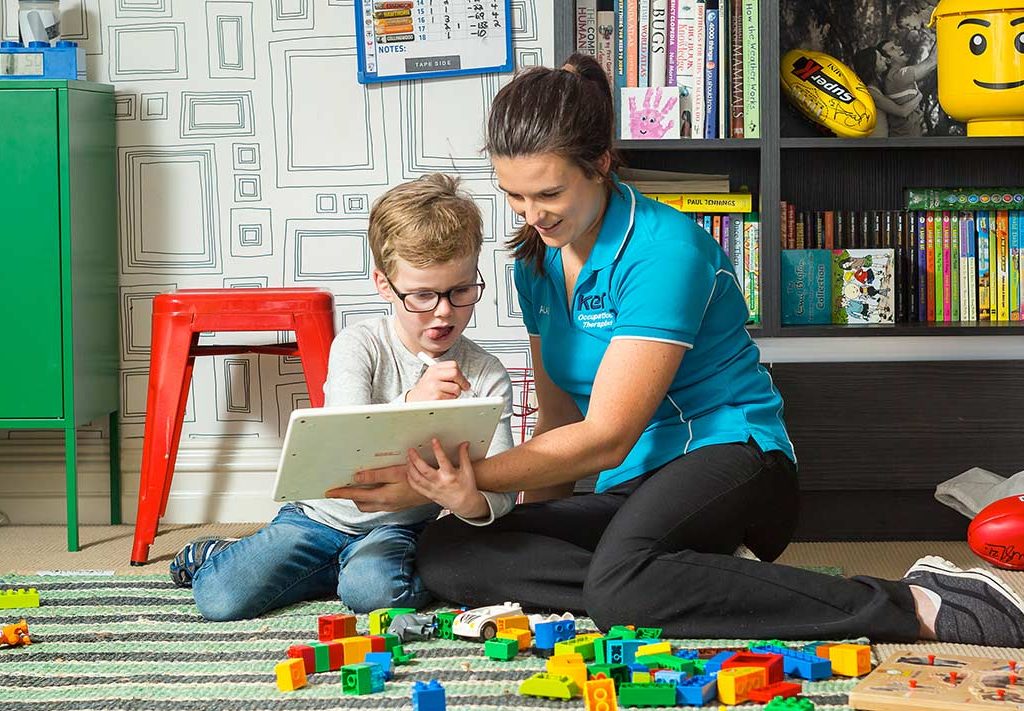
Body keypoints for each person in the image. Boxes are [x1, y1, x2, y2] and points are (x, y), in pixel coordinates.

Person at [327, 54, 1024, 647]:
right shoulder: (533, 262)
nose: (531, 216)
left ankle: (916, 602)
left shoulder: (665, 251)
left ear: (600, 163)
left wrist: (474, 476)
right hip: (634, 488)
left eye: (548, 193)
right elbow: (560, 418)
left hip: (735, 461)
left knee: (619, 583)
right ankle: (679, 579)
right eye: (512, 196)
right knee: (449, 550)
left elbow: (607, 434)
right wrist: (505, 518)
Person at [169, 174, 517, 621]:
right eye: (423, 295)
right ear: (384, 285)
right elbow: (344, 442)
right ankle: (222, 553)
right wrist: (412, 401)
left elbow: (503, 486)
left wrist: (466, 501)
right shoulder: (360, 345)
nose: (444, 311)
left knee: (376, 595)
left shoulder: (486, 375)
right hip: (317, 518)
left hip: (399, 528)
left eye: (461, 291)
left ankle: (325, 573)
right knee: (220, 599)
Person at [851, 45, 923, 138]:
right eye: (880, 59)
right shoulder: (870, 92)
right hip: (876, 146)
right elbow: (902, 112)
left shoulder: (879, 86)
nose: (885, 59)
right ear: (872, 66)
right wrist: (918, 96)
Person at [880, 37, 937, 137]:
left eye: (896, 45)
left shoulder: (895, 76)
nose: (899, 47)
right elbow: (932, 61)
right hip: (905, 144)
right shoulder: (897, 77)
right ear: (888, 60)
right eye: (893, 49)